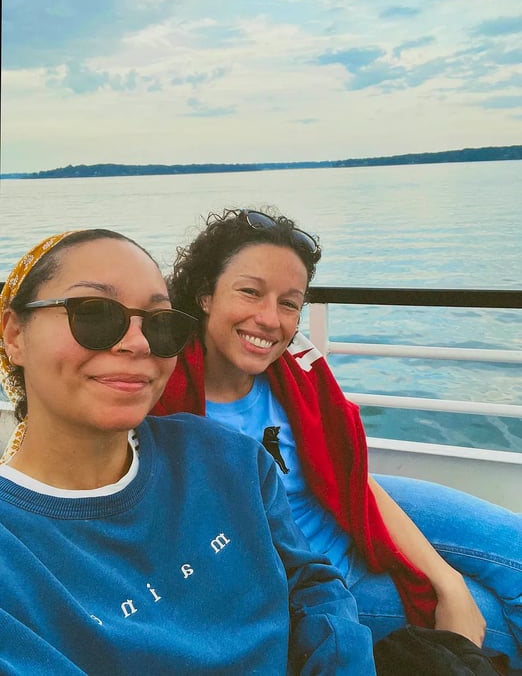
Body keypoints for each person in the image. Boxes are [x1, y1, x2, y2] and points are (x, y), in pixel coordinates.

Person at [152, 207, 522, 673]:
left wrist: (446, 581)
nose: (270, 318)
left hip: (347, 507)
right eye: (250, 292)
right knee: (493, 622)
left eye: (289, 302)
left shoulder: (296, 372)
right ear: (206, 295)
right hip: (323, 584)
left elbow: (348, 476)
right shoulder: (161, 400)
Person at [0, 229, 377, 675]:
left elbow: (311, 584)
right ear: (15, 334)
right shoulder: (14, 553)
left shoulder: (227, 458)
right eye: (96, 314)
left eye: (160, 323)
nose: (139, 343)